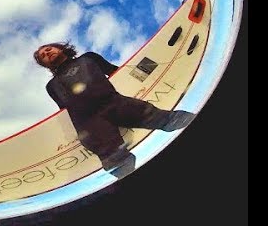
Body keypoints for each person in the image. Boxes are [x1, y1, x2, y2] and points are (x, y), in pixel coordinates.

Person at [33, 42, 195, 179]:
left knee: (168, 120)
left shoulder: (89, 58)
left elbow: (114, 71)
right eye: (42, 56)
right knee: (118, 163)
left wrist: (151, 72)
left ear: (60, 48)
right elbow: (63, 110)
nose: (47, 53)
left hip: (114, 103)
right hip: (89, 123)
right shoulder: (51, 86)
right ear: (45, 65)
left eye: (48, 49)